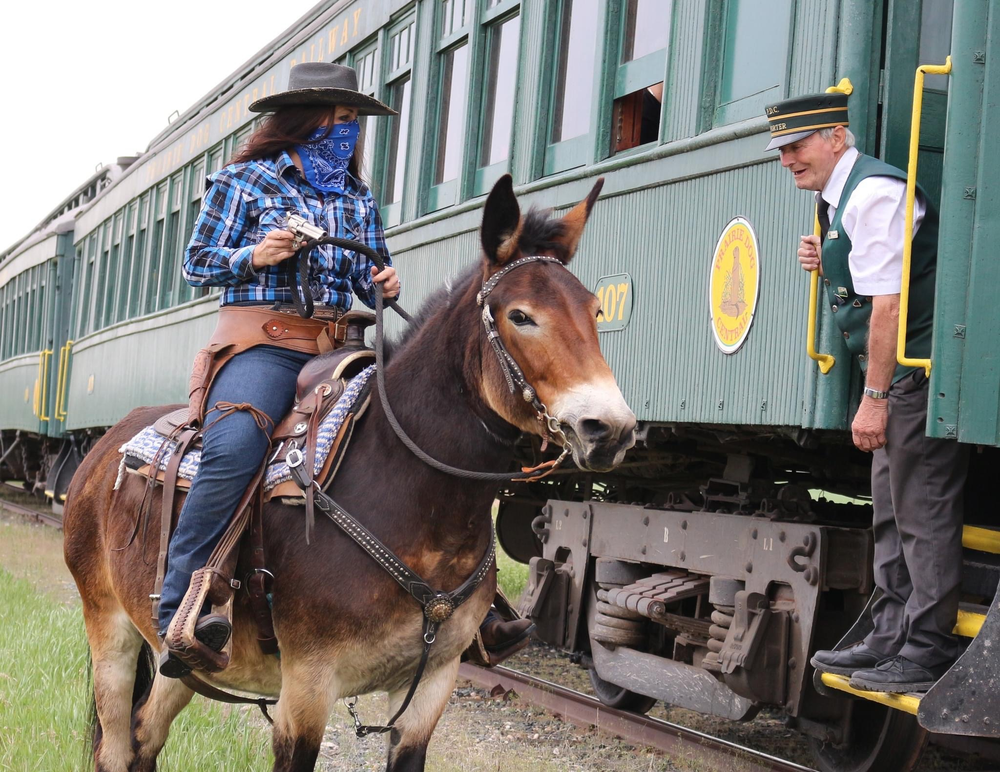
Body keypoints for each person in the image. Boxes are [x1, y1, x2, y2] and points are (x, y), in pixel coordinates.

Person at [158, 62, 531, 678]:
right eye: (338, 119)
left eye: (354, 122)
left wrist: (382, 281)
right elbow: (198, 264)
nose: (347, 132)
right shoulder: (243, 181)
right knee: (235, 446)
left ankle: (475, 604)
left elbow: (369, 272)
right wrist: (255, 253)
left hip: (345, 342)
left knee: (429, 430)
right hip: (265, 344)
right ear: (304, 122)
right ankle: (185, 607)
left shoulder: (358, 197)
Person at [765, 91, 968, 692]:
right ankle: (888, 636)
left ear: (835, 137)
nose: (787, 160)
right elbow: (869, 269)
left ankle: (927, 649)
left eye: (796, 146)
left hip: (915, 374)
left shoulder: (876, 193)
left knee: (921, 512)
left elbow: (890, 304)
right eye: (781, 150)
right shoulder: (842, 198)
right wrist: (827, 256)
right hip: (899, 377)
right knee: (890, 509)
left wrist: (874, 395)